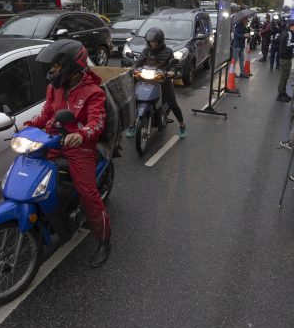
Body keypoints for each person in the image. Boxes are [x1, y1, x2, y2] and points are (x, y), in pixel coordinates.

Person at [27, 39, 112, 267]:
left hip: (80, 148)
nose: (51, 70)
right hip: (53, 141)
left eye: (55, 66)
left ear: (70, 67)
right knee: (33, 179)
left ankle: (104, 241)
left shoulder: (93, 92)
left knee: (88, 194)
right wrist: (25, 127)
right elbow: (46, 115)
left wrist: (81, 134)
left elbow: (97, 122)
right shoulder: (53, 88)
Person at [129, 27, 187, 138]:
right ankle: (132, 125)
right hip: (146, 80)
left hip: (163, 81)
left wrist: (170, 73)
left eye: (155, 42)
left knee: (173, 104)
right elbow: (138, 62)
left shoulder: (168, 51)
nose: (153, 44)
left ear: (160, 41)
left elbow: (173, 67)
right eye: (151, 42)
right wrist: (134, 68)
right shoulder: (146, 50)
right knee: (133, 101)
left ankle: (182, 125)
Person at [275, 19, 294, 102]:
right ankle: (281, 95)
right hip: (285, 58)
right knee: (284, 77)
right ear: (291, 26)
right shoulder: (289, 33)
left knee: (284, 77)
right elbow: (288, 45)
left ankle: (283, 93)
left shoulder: (284, 32)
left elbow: (277, 41)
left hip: (283, 57)